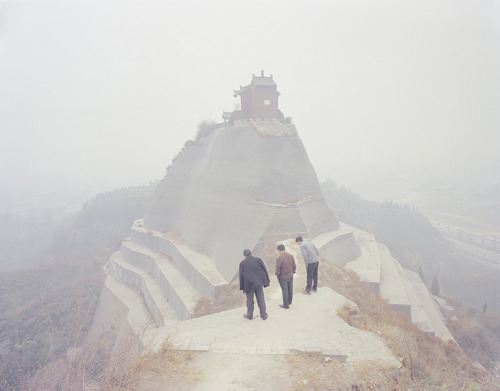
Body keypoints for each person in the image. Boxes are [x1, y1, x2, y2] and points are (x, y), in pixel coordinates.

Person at [239, 249, 270, 320]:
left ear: (244, 256)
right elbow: (263, 270)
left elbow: (241, 276)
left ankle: (249, 316)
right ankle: (264, 315)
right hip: (258, 283)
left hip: (248, 285)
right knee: (261, 299)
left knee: (249, 300)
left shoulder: (242, 263)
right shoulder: (258, 260)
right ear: (251, 253)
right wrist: (264, 281)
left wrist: (242, 287)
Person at [275, 244, 296, 309]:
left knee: (285, 290)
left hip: (283, 277)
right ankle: (290, 301)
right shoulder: (291, 256)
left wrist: (277, 276)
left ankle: (286, 305)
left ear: (279, 250)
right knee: (290, 289)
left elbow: (278, 269)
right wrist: (293, 272)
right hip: (290, 276)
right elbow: (294, 265)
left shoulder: (279, 258)